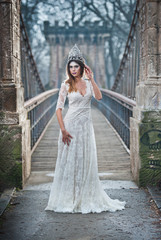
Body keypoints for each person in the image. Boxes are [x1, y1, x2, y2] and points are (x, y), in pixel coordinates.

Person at [45, 44, 126, 214]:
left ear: (82, 68)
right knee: (70, 161)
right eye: (71, 67)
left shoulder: (89, 84)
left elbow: (99, 97)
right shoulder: (65, 85)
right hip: (70, 126)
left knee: (85, 159)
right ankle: (70, 197)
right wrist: (63, 130)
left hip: (86, 127)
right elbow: (58, 109)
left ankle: (84, 196)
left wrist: (93, 79)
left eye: (76, 66)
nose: (73, 69)